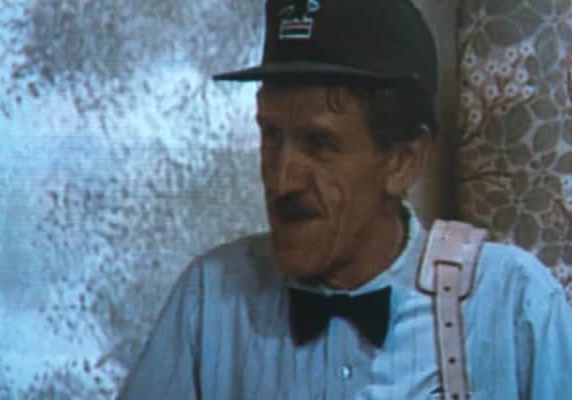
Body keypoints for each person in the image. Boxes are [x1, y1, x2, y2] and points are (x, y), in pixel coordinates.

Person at [119, 0, 572, 399]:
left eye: (319, 144)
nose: (282, 180)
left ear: (403, 161)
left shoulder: (515, 306)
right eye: (271, 136)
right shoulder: (210, 300)